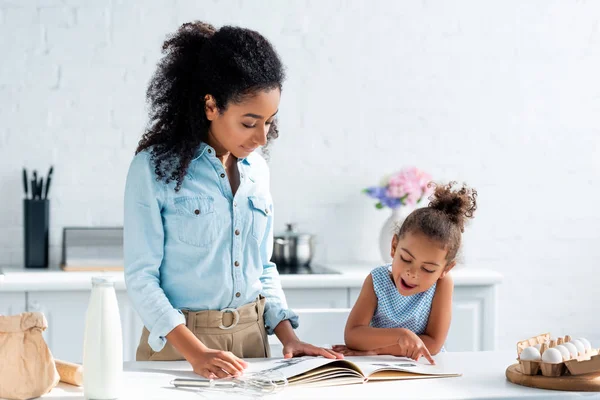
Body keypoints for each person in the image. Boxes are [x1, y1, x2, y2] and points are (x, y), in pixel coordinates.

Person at [124, 21, 342, 380]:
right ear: (211, 105)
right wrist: (196, 353)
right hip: (180, 349)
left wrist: (289, 336)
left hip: (253, 342)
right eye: (249, 122)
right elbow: (141, 278)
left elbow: (262, 268)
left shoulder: (257, 170)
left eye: (269, 122)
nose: (262, 137)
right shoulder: (153, 169)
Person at [333, 182, 477, 364]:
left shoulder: (443, 283)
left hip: (423, 367)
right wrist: (402, 335)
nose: (412, 273)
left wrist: (376, 350)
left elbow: (432, 344)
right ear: (394, 247)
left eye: (428, 269)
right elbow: (353, 335)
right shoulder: (377, 279)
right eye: (406, 259)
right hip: (375, 367)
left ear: (445, 270)